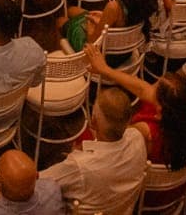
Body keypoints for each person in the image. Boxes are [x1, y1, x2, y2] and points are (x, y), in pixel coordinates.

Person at [40, 86, 149, 215]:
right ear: (128, 120)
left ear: (94, 121)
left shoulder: (80, 166)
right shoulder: (138, 139)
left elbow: (36, 181)